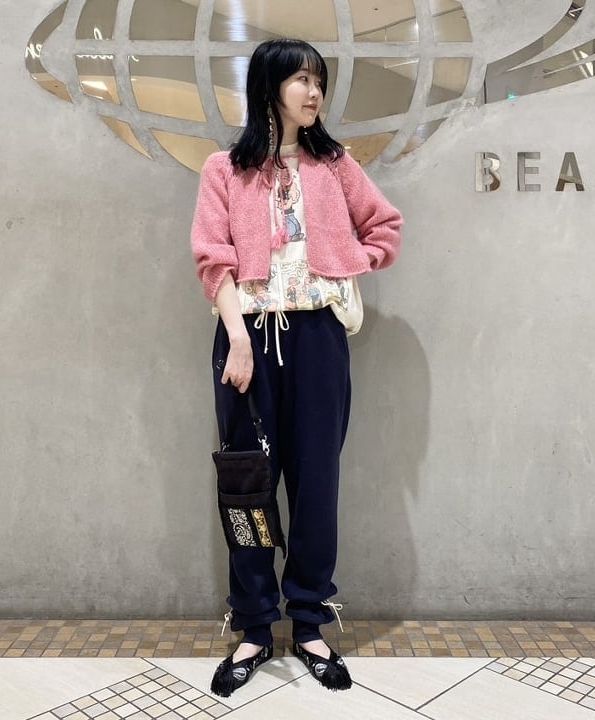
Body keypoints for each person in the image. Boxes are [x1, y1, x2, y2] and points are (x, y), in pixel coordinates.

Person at [190, 37, 402, 697]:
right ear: (269, 86)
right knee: (246, 487)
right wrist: (238, 337)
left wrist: (345, 266)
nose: (314, 92)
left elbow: (385, 228)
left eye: (319, 80)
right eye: (301, 79)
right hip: (246, 341)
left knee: (316, 486)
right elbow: (212, 259)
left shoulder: (335, 165)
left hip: (316, 342)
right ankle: (254, 626)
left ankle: (308, 623)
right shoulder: (223, 169)